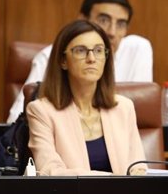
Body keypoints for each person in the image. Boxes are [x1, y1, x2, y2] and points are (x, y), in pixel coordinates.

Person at [8, 0, 153, 123]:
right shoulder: (51, 56)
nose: (112, 32)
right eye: (103, 20)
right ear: (82, 20)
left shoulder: (137, 49)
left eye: (121, 24)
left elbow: (140, 117)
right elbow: (16, 120)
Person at [26, 20, 147, 175]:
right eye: (81, 51)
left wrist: (138, 174)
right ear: (63, 61)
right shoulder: (41, 111)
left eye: (98, 50)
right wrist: (113, 179)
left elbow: (137, 165)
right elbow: (50, 171)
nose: (91, 58)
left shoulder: (124, 107)